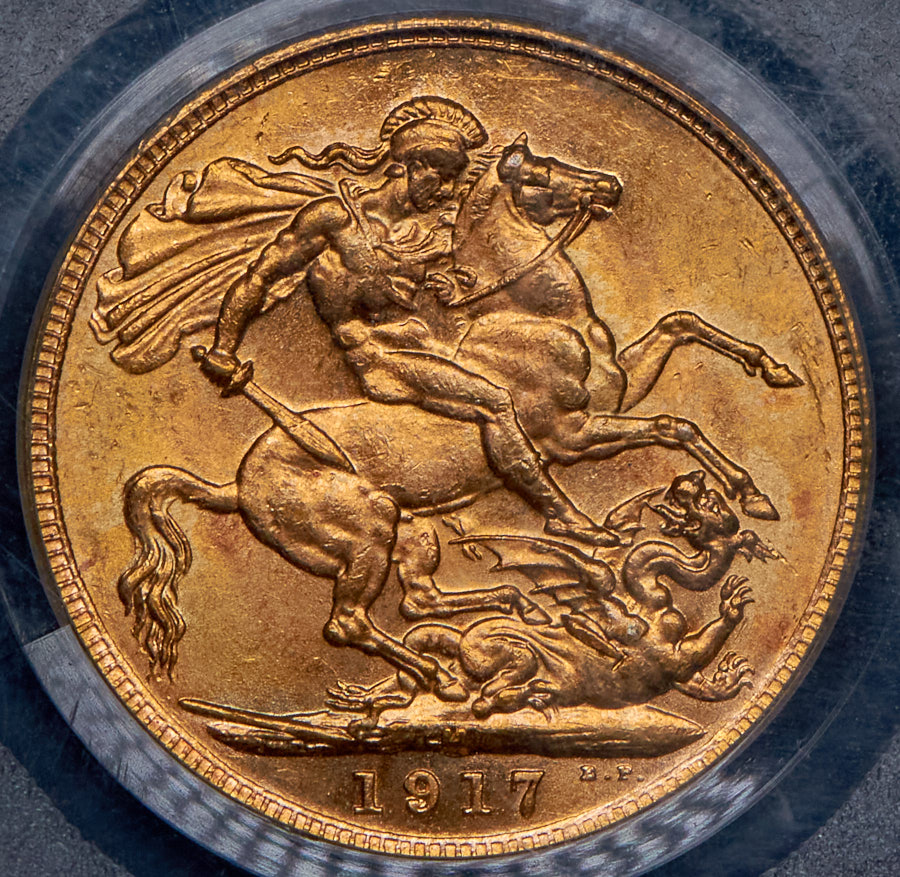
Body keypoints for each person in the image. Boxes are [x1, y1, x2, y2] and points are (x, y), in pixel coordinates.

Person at [200, 96, 616, 547]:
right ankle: (560, 515)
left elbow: (496, 237)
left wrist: (575, 201)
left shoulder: (431, 231)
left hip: (432, 345)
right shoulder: (334, 220)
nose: (447, 192)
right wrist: (224, 347)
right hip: (379, 356)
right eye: (442, 178)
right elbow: (260, 278)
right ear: (412, 167)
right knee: (494, 400)